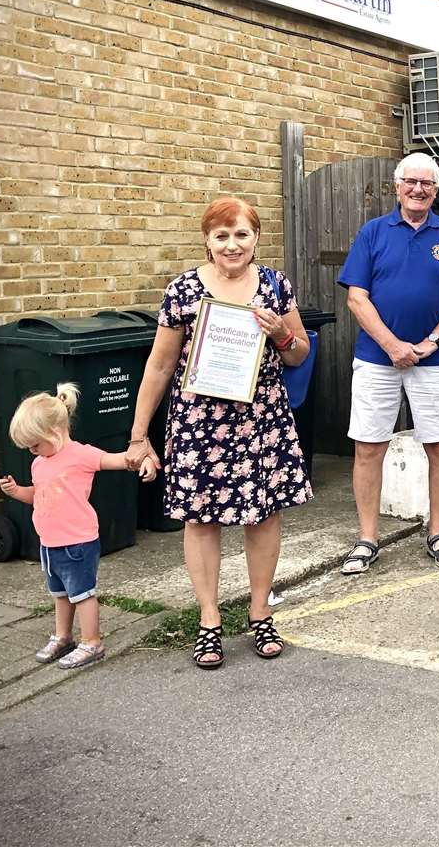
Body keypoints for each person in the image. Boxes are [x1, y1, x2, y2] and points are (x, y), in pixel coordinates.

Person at [126, 197, 313, 669]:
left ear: (255, 239)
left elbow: (299, 354)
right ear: (207, 241)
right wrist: (137, 434)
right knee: (201, 519)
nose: (233, 245)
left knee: (264, 515)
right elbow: (161, 364)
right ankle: (209, 620)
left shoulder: (275, 285)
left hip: (260, 419)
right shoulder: (184, 291)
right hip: (199, 421)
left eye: (242, 235)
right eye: (222, 235)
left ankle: (260, 610)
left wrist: (280, 335)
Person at [337, 152, 439, 574]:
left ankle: (438, 533)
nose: (418, 190)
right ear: (397, 185)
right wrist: (393, 345)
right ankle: (367, 538)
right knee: (368, 448)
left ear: (437, 191)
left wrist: (430, 342)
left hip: (434, 361)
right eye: (411, 182)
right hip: (376, 359)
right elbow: (355, 297)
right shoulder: (373, 232)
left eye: (427, 184)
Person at [0, 384, 157, 669]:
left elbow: (117, 459)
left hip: (78, 542)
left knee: (83, 594)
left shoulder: (79, 455)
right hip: (49, 543)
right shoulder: (40, 463)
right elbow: (38, 496)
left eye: (35, 444)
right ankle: (62, 636)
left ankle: (92, 642)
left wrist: (142, 459)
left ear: (55, 433)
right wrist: (16, 492)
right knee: (60, 594)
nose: (32, 451)